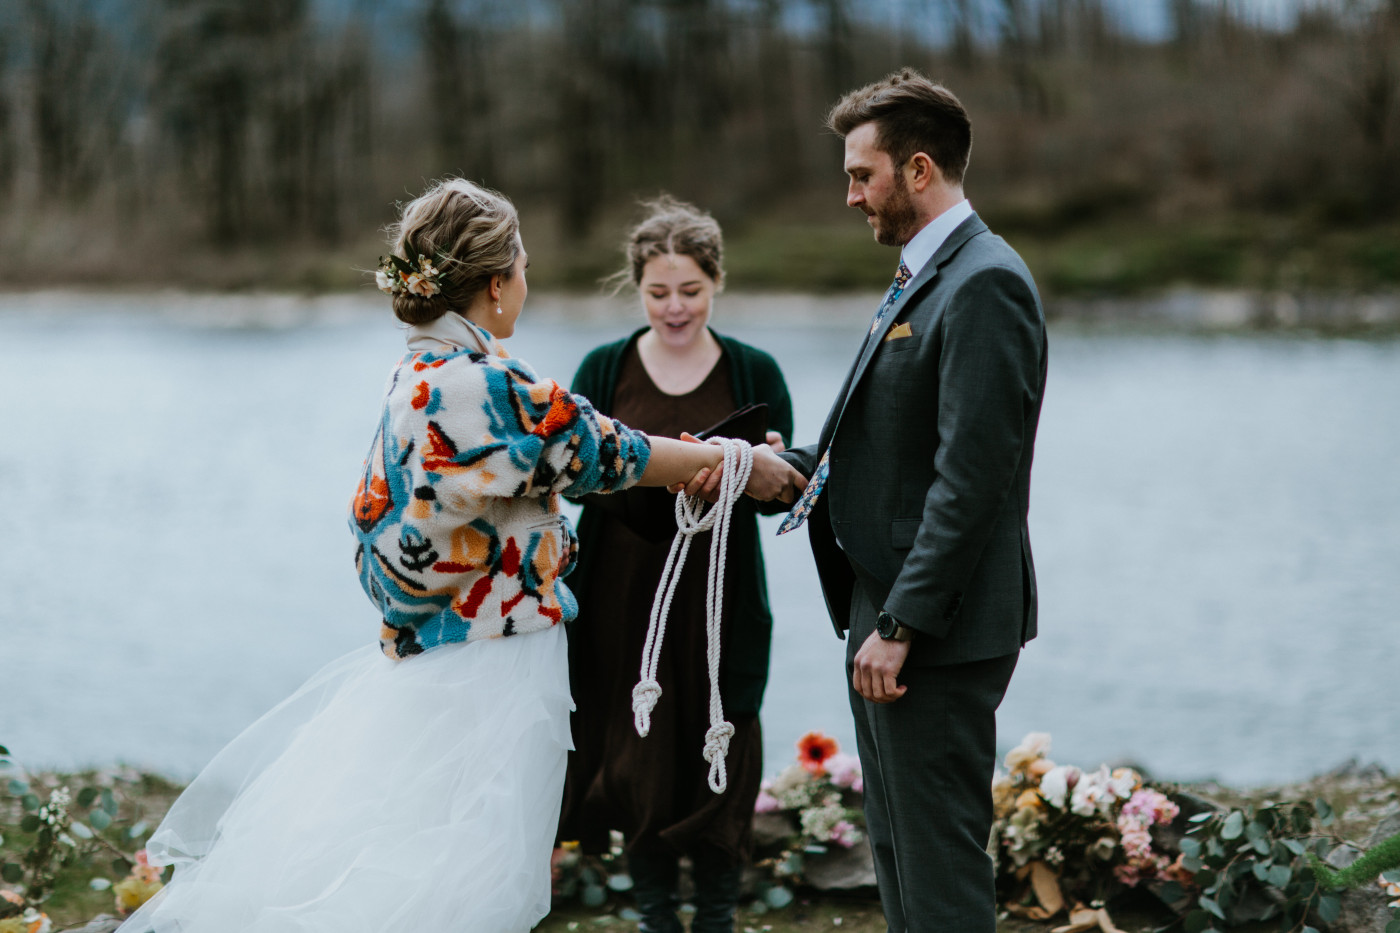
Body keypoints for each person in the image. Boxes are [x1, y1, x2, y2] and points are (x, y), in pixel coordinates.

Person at [117, 179, 727, 933]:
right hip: (493, 659)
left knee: (421, 851)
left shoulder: (420, 369)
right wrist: (737, 464)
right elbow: (605, 450)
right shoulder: (485, 384)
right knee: (466, 873)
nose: (527, 284)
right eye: (524, 267)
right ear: (497, 284)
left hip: (440, 650)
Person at [700, 69, 1049, 933]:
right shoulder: (919, 275)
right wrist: (771, 464)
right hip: (880, 611)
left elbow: (972, 481)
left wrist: (899, 627)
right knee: (897, 853)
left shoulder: (984, 285)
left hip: (931, 628)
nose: (850, 194)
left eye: (863, 174)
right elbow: (889, 445)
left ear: (920, 170)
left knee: (938, 865)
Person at [559, 196, 793, 933]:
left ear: (716, 282)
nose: (674, 308)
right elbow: (571, 478)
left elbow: (783, 490)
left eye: (690, 290)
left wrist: (761, 469)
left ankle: (718, 917)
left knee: (721, 747)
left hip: (719, 600)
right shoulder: (604, 366)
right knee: (634, 756)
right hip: (619, 598)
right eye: (658, 292)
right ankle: (658, 918)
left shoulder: (755, 369)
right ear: (638, 288)